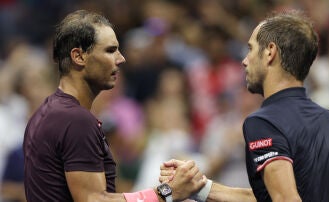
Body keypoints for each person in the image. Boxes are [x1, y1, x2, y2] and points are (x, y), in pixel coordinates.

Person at [160, 10, 329, 201]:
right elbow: (275, 196)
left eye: (251, 49)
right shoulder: (328, 119)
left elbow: (285, 198)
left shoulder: (264, 122)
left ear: (270, 52)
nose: (245, 61)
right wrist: (199, 187)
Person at [23, 9, 207, 202]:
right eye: (110, 50)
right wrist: (167, 192)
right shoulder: (76, 120)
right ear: (79, 56)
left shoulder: (44, 112)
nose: (121, 59)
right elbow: (94, 200)